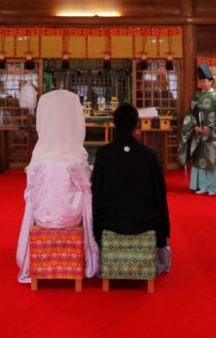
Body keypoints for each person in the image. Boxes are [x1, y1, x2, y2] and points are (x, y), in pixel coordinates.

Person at [15, 90, 99, 283]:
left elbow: (29, 192)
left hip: (43, 215)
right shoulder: (77, 153)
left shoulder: (40, 154)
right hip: (72, 215)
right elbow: (87, 186)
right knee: (84, 195)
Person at [92, 102, 171, 273]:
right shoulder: (149, 155)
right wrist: (163, 231)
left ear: (114, 124)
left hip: (110, 223)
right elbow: (160, 194)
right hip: (145, 223)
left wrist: (96, 228)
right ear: (136, 124)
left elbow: (96, 193)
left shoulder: (103, 154)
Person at [177, 61, 216, 196]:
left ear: (211, 81)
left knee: (212, 159)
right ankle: (203, 185)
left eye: (205, 81)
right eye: (201, 81)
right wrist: (194, 126)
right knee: (200, 158)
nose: (202, 84)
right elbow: (191, 113)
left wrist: (210, 129)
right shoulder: (197, 96)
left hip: (213, 134)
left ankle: (214, 187)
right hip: (200, 134)